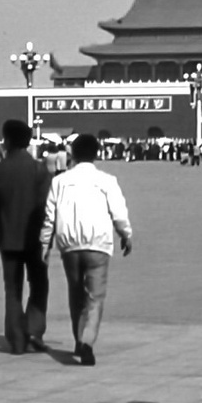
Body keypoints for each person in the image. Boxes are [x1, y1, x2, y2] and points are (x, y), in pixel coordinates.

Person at [39, 134, 133, 366]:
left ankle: (78, 339)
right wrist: (126, 234)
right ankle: (87, 340)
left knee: (75, 294)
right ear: (96, 153)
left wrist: (44, 244)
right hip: (98, 243)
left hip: (69, 244)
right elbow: (118, 212)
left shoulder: (60, 181)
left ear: (73, 153)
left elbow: (49, 216)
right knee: (95, 297)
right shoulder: (107, 180)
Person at [0, 119, 51, 354]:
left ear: (8, 140)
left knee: (12, 290)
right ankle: (33, 329)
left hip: (8, 240)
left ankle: (16, 339)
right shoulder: (40, 169)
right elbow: (46, 207)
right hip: (35, 240)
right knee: (39, 284)